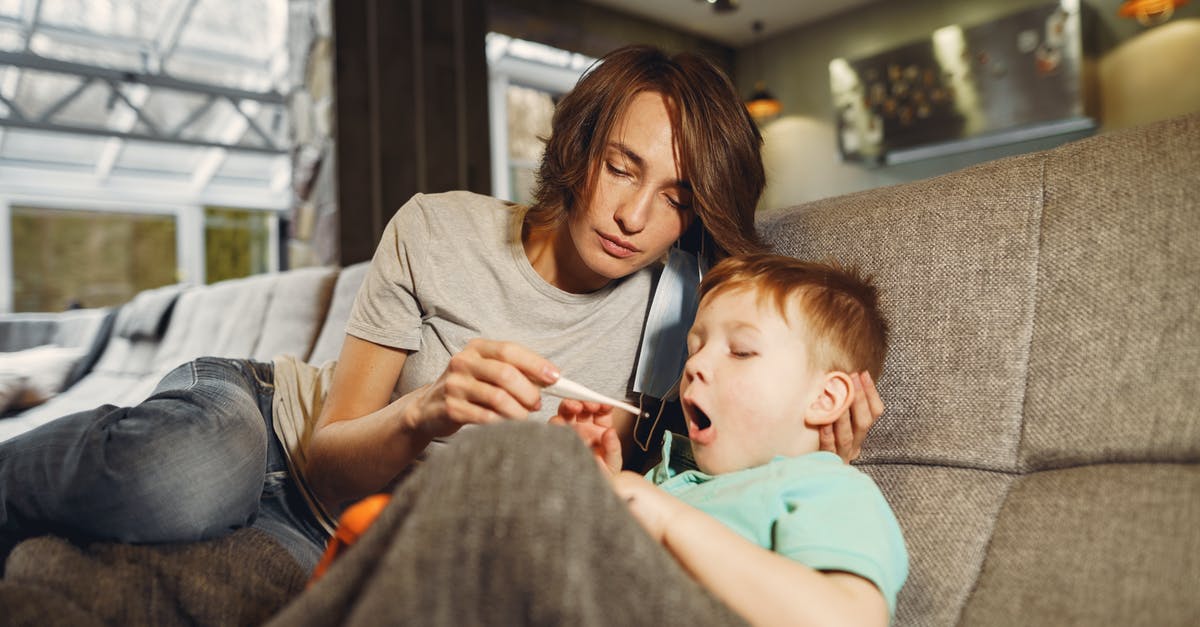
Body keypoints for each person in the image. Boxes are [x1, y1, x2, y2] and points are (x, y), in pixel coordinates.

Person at [0, 45, 883, 580]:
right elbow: (327, 457)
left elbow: (773, 353)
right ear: (579, 150)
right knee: (187, 477)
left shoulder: (679, 317)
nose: (635, 216)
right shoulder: (436, 227)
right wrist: (428, 411)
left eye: (677, 198)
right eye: (623, 166)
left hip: (365, 532)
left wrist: (828, 414)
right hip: (272, 429)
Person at [555, 253, 908, 625]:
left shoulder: (826, 489)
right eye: (694, 349)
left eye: (741, 351)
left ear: (825, 399)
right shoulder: (666, 478)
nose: (693, 366)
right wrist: (599, 488)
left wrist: (670, 522)